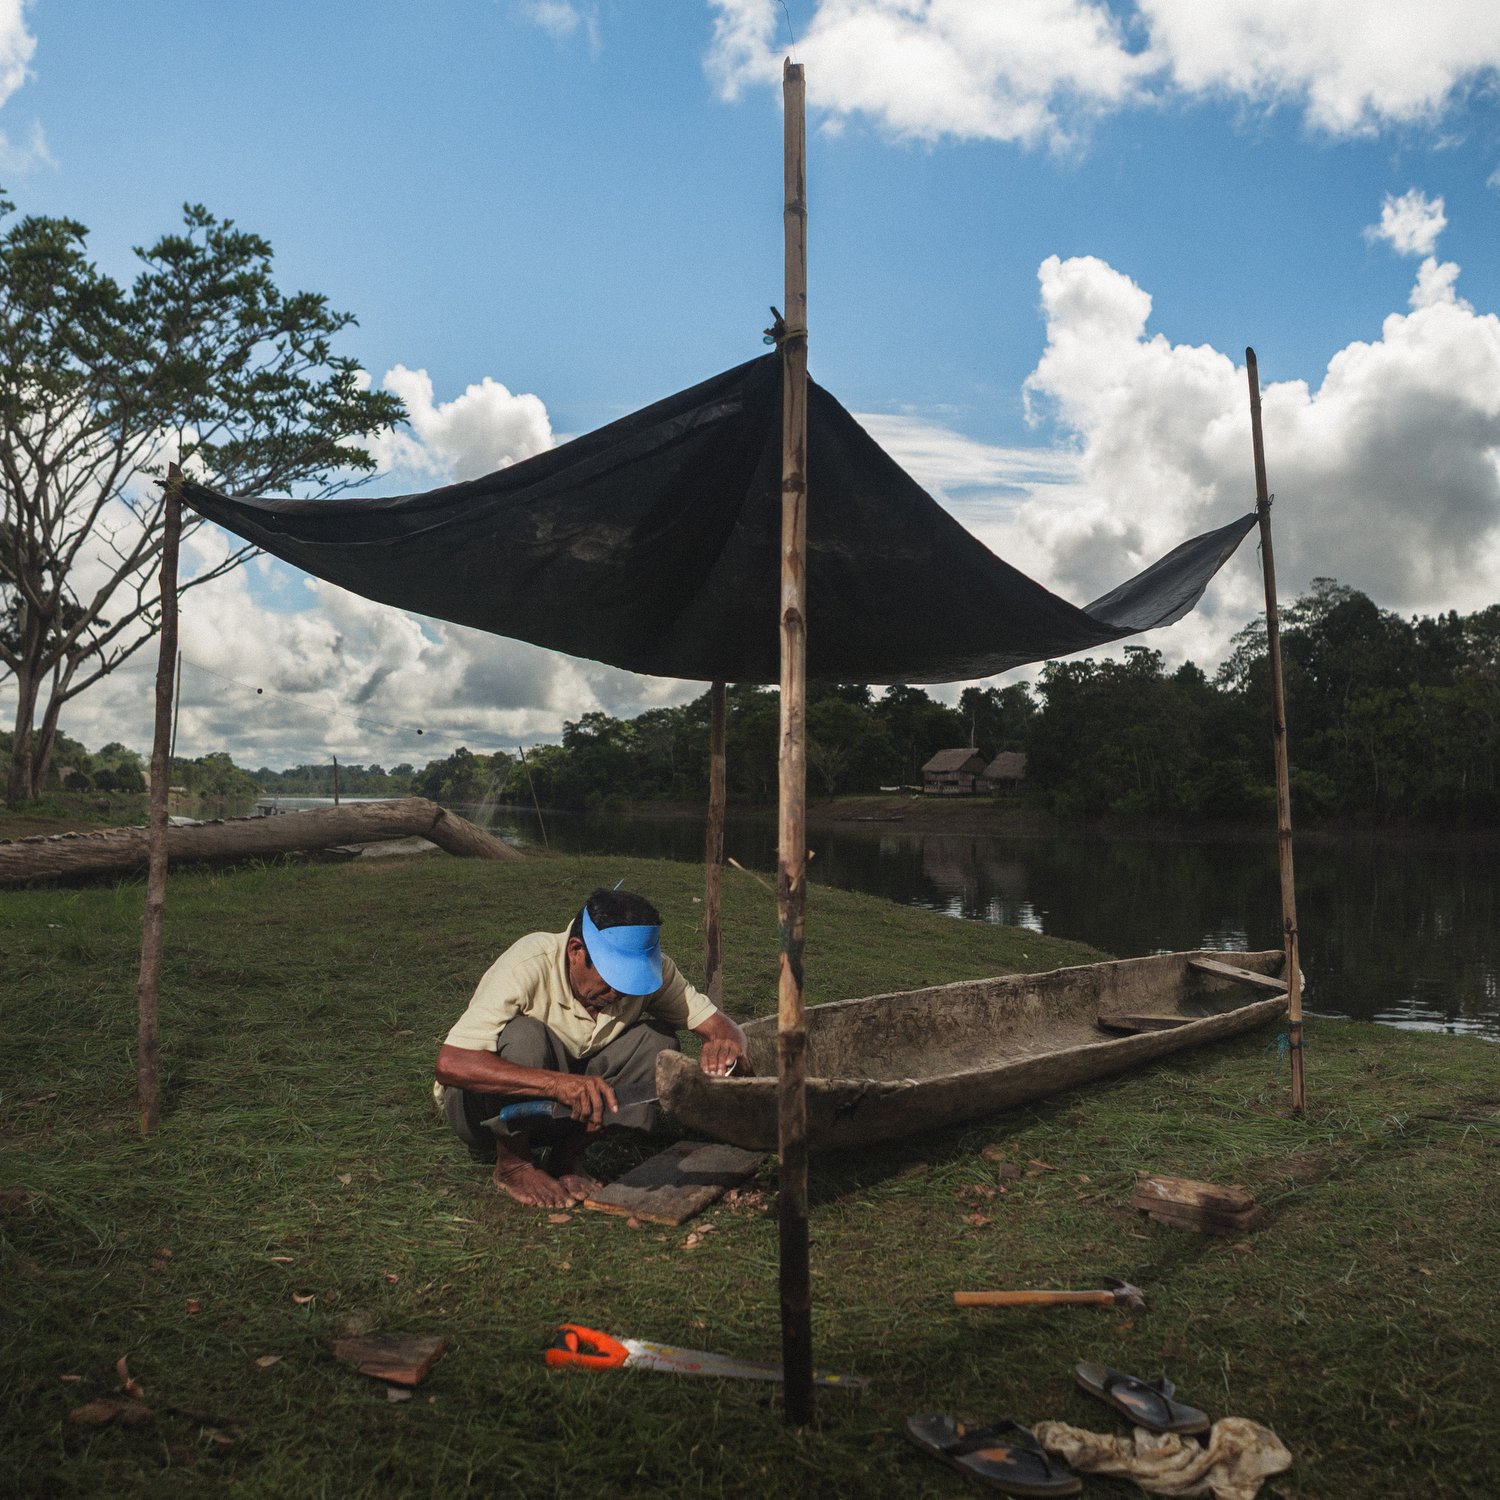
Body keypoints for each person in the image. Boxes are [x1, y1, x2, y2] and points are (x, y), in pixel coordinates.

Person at [435, 887, 751, 1208]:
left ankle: (566, 1156)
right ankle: (514, 1164)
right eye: (612, 978)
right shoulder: (528, 963)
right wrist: (557, 1084)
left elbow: (723, 1027)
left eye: (631, 982)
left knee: (658, 1043)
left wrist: (724, 1046)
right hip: (483, 1115)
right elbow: (450, 1064)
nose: (618, 993)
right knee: (525, 1036)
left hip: (558, 1118)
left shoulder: (654, 972)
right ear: (575, 951)